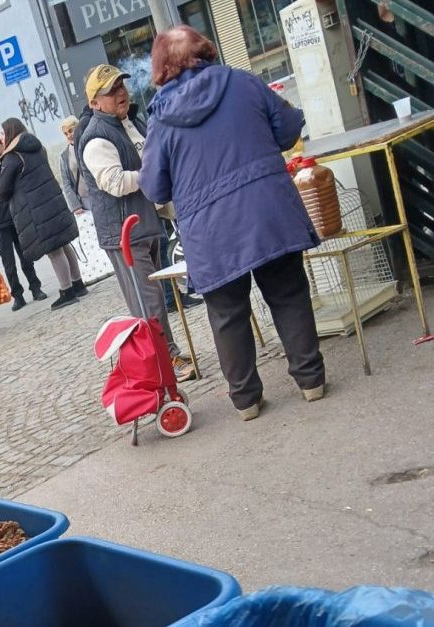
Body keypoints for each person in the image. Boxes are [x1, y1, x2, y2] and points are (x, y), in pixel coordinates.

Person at [140, 26, 325, 420]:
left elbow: (155, 187)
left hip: (210, 232)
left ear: (161, 67)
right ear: (204, 50)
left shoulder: (161, 120)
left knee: (227, 313)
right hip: (268, 210)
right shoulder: (243, 82)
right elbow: (289, 129)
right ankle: (311, 382)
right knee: (288, 291)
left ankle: (246, 402)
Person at [77, 64, 196, 383]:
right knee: (148, 301)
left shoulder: (128, 122)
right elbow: (114, 182)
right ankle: (163, 360)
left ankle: (166, 353)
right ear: (95, 103)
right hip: (124, 232)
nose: (120, 94)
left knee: (155, 295)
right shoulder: (96, 137)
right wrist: (153, 174)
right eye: (110, 91)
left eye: (121, 87)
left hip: (146, 223)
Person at [0, 118, 87, 311]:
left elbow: (3, 190)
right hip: (52, 201)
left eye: (2, 133)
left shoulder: (12, 157)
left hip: (36, 209)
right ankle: (78, 284)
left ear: (11, 133)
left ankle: (66, 291)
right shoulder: (37, 147)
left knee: (54, 250)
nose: (0, 137)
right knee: (63, 243)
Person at [0, 131, 47, 312]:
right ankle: (17, 295)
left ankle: (35, 287)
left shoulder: (6, 160)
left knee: (26, 255)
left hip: (15, 216)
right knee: (9, 262)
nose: (1, 144)